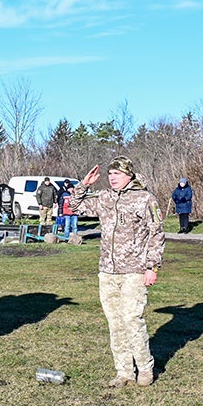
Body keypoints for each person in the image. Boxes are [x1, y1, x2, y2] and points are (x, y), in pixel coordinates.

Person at [69, 157, 164, 387]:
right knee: (115, 322)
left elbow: (157, 233)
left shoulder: (144, 199)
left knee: (132, 319)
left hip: (134, 270)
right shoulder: (105, 198)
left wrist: (152, 267)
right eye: (110, 174)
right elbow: (74, 206)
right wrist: (84, 184)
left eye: (117, 174)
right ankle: (123, 372)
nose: (112, 178)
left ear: (129, 175)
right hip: (108, 271)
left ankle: (144, 367)